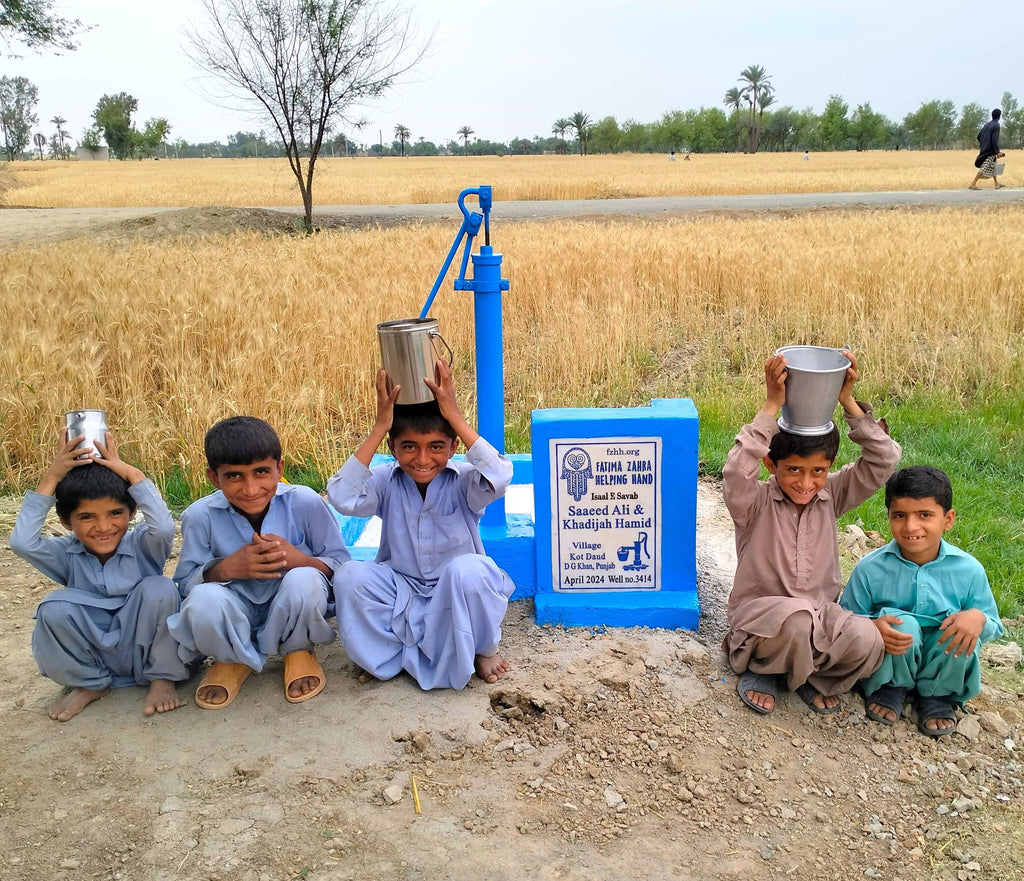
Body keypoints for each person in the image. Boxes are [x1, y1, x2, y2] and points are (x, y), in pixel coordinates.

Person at [723, 351, 902, 715]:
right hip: (762, 623)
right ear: (771, 464)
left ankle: (810, 679)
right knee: (797, 619)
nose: (806, 483)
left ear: (829, 466)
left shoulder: (831, 495)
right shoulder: (754, 502)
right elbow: (736, 471)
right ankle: (764, 671)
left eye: (818, 471)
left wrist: (846, 400)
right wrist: (772, 405)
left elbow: (885, 458)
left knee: (869, 637)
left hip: (819, 623)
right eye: (794, 470)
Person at [328, 359, 514, 690]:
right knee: (349, 577)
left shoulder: (464, 481)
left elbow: (500, 476)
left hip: (455, 590)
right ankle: (384, 656)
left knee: (471, 571)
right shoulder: (386, 480)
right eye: (409, 447)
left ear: (454, 447)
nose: (423, 459)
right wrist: (380, 427)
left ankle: (482, 649)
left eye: (436, 447)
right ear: (392, 448)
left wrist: (454, 415)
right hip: (401, 589)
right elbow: (342, 497)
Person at [167, 416, 349, 708]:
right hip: (235, 609)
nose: (251, 489)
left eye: (261, 472)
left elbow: (341, 566)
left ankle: (298, 649)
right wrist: (226, 568)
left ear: (280, 469)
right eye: (234, 476)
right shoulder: (199, 516)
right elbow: (185, 586)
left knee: (305, 580)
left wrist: (299, 560)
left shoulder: (305, 502)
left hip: (292, 608)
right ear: (214, 477)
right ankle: (231, 658)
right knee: (203, 600)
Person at [10, 430, 187, 721]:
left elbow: (165, 528)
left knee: (160, 588)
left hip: (144, 651)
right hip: (94, 654)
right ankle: (90, 683)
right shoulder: (66, 554)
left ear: (132, 513)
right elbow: (22, 543)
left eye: (115, 513)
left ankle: (163, 677)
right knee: (53, 608)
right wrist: (53, 476)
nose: (103, 527)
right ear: (66, 521)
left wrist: (131, 473)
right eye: (87, 517)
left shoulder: (143, 545)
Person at [840, 466, 1002, 737]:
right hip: (891, 660)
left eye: (924, 515)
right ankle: (891, 686)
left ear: (948, 519)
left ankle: (938, 695)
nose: (911, 526)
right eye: (900, 515)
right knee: (901, 623)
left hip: (944, 661)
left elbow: (993, 624)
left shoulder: (969, 570)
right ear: (888, 516)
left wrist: (978, 618)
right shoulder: (870, 569)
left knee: (962, 630)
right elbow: (847, 618)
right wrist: (873, 627)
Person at [969, 109, 1005, 190]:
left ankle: (997, 184)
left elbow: (979, 137)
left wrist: (984, 144)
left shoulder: (986, 125)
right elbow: (994, 140)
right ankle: (973, 183)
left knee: (994, 166)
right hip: (990, 151)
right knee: (985, 167)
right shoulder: (996, 125)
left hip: (984, 149)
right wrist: (997, 152)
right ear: (999, 116)